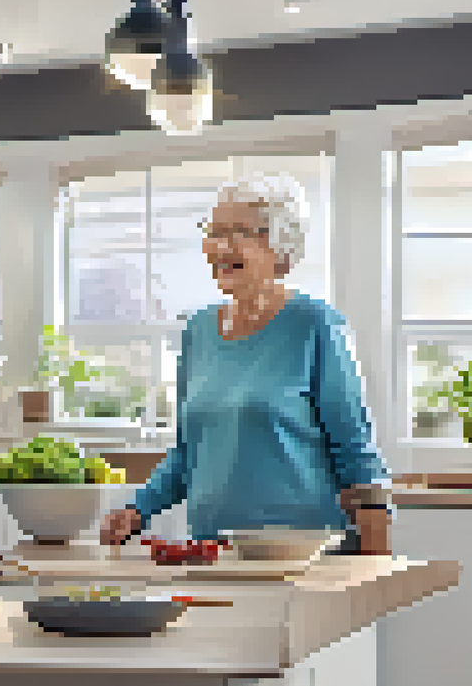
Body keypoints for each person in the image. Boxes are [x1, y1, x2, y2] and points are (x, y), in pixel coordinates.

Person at [99, 172, 392, 555]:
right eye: (215, 231)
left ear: (281, 246)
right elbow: (189, 451)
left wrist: (374, 559)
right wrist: (138, 510)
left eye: (241, 232)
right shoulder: (198, 330)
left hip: (303, 553)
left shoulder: (315, 323)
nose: (222, 246)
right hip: (213, 550)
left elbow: (353, 447)